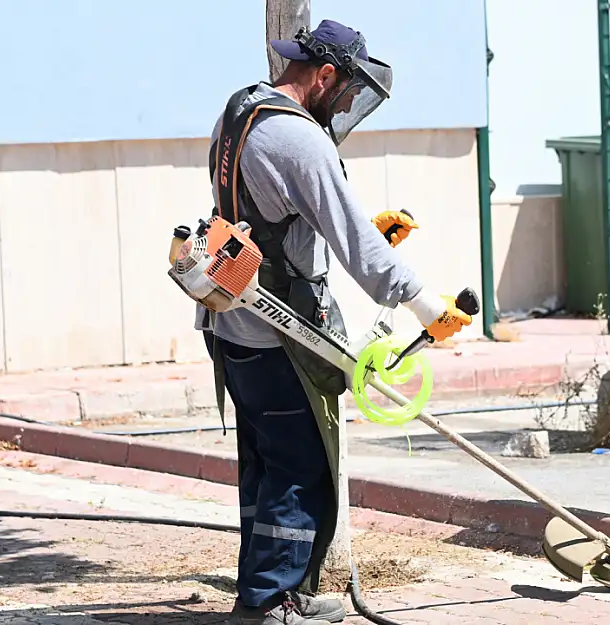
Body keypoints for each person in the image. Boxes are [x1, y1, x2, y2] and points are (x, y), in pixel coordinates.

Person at [194, 19, 473, 625]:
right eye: (345, 91)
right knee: (300, 467)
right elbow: (353, 246)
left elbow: (271, 216)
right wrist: (427, 305)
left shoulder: (237, 117)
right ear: (323, 75)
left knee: (266, 463)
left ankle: (271, 592)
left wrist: (365, 231)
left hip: (234, 327)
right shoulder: (299, 140)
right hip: (281, 333)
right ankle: (268, 604)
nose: (346, 103)